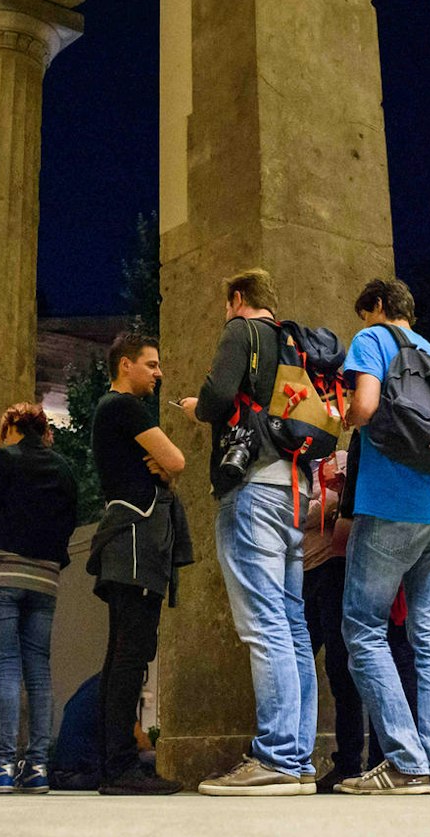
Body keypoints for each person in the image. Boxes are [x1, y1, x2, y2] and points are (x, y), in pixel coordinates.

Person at [181, 268, 318, 797]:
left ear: (237, 299)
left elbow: (218, 395)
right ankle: (299, 757)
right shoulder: (293, 342)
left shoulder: (242, 331)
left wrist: (200, 408)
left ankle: (278, 757)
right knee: (291, 621)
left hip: (254, 486)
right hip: (294, 488)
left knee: (263, 622)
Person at [334, 277, 430, 796]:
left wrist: (342, 416)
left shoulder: (373, 340)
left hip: (391, 504)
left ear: (380, 308)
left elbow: (363, 406)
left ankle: (405, 762)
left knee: (363, 629)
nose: (363, 323)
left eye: (365, 313)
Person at [87, 331, 189, 796]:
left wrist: (163, 468)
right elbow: (176, 460)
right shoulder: (126, 407)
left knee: (120, 656)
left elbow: (165, 467)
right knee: (131, 655)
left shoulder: (108, 411)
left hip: (121, 538)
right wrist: (165, 467)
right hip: (135, 539)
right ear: (124, 365)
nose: (159, 372)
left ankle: (113, 764)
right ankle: (122, 769)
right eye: (150, 364)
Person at [0, 402, 80, 794]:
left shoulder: (5, 460)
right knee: (39, 668)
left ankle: (2, 766)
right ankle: (37, 767)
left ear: (13, 426)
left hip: (3, 571)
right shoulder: (64, 467)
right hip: (46, 575)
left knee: (6, 667)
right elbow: (71, 516)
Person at [302, 447, 363, 792]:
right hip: (301, 573)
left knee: (341, 668)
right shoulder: (295, 464)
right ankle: (291, 754)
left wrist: (310, 510)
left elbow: (341, 505)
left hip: (335, 569)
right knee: (298, 663)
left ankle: (349, 762)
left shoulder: (340, 458)